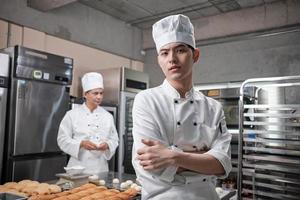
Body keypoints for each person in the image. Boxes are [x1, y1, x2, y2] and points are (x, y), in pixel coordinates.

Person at [131, 14, 232, 200]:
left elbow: (223, 164)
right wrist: (204, 156)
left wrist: (172, 156)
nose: (172, 59)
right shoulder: (146, 100)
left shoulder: (213, 107)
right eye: (164, 52)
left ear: (195, 55)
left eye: (180, 50)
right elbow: (152, 165)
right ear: (159, 61)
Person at [57, 72, 119, 174]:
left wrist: (107, 145)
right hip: (78, 168)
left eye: (101, 93)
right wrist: (81, 144)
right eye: (95, 93)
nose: (99, 97)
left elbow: (115, 139)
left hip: (100, 169)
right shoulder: (72, 115)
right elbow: (62, 139)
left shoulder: (108, 116)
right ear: (85, 94)